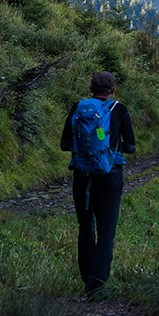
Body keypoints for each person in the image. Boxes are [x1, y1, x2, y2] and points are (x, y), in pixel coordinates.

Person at [61, 71, 136, 295]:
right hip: (110, 177)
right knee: (106, 232)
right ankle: (97, 285)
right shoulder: (119, 110)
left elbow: (64, 144)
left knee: (85, 228)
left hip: (83, 176)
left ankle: (86, 278)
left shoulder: (78, 108)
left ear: (91, 89)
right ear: (112, 90)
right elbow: (131, 147)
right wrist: (110, 146)